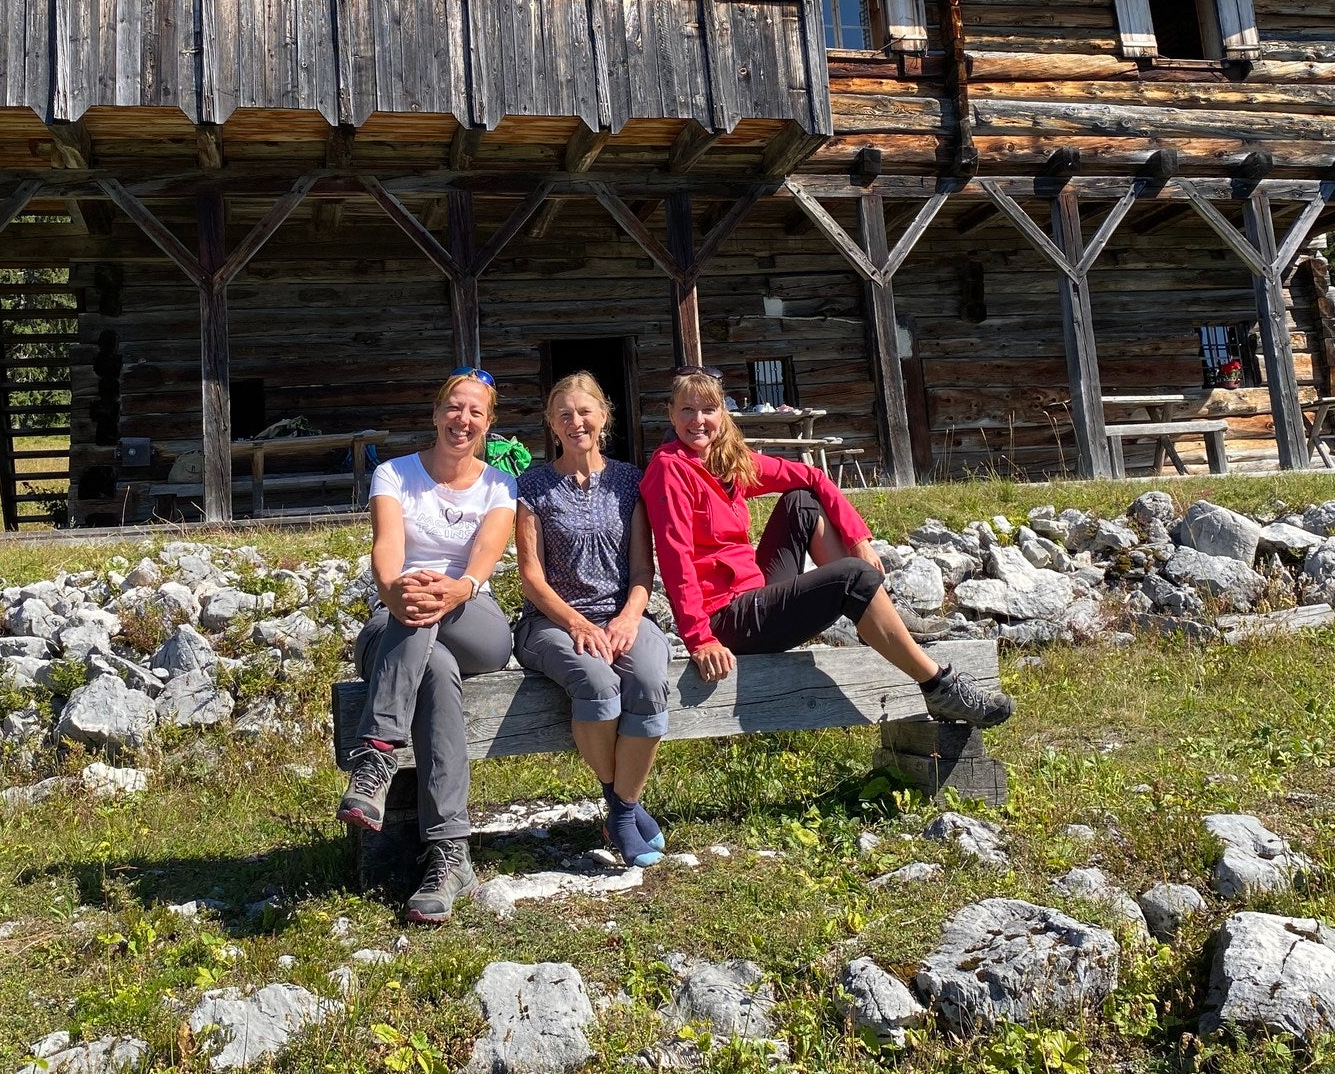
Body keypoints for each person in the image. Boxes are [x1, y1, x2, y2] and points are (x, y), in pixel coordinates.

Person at [639, 366, 1010, 727]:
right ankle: (939, 687)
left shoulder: (726, 461)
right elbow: (675, 560)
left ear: (723, 413)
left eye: (708, 409)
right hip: (726, 619)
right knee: (853, 577)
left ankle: (875, 610)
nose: (698, 420)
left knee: (801, 502)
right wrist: (700, 640)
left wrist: (858, 540)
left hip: (752, 596)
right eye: (687, 410)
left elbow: (812, 477)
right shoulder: (670, 469)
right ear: (671, 414)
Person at [339, 368, 516, 925]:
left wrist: (457, 588)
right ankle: (450, 854)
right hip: (399, 614)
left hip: (473, 617)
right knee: (433, 662)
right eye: (454, 407)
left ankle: (376, 755)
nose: (463, 419)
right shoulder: (395, 474)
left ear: (489, 424)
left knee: (427, 610)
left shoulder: (500, 485)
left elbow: (485, 557)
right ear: (437, 414)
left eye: (476, 412)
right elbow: (387, 548)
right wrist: (394, 590)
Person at [514, 372, 671, 868]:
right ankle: (622, 807)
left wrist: (628, 618)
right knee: (599, 683)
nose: (576, 422)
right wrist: (578, 625)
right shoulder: (532, 485)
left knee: (648, 680)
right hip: (551, 621)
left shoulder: (629, 480)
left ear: (604, 416)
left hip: (622, 614)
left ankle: (621, 809)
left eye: (585, 411)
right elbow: (532, 578)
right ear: (551, 424)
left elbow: (642, 570)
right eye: (564, 414)